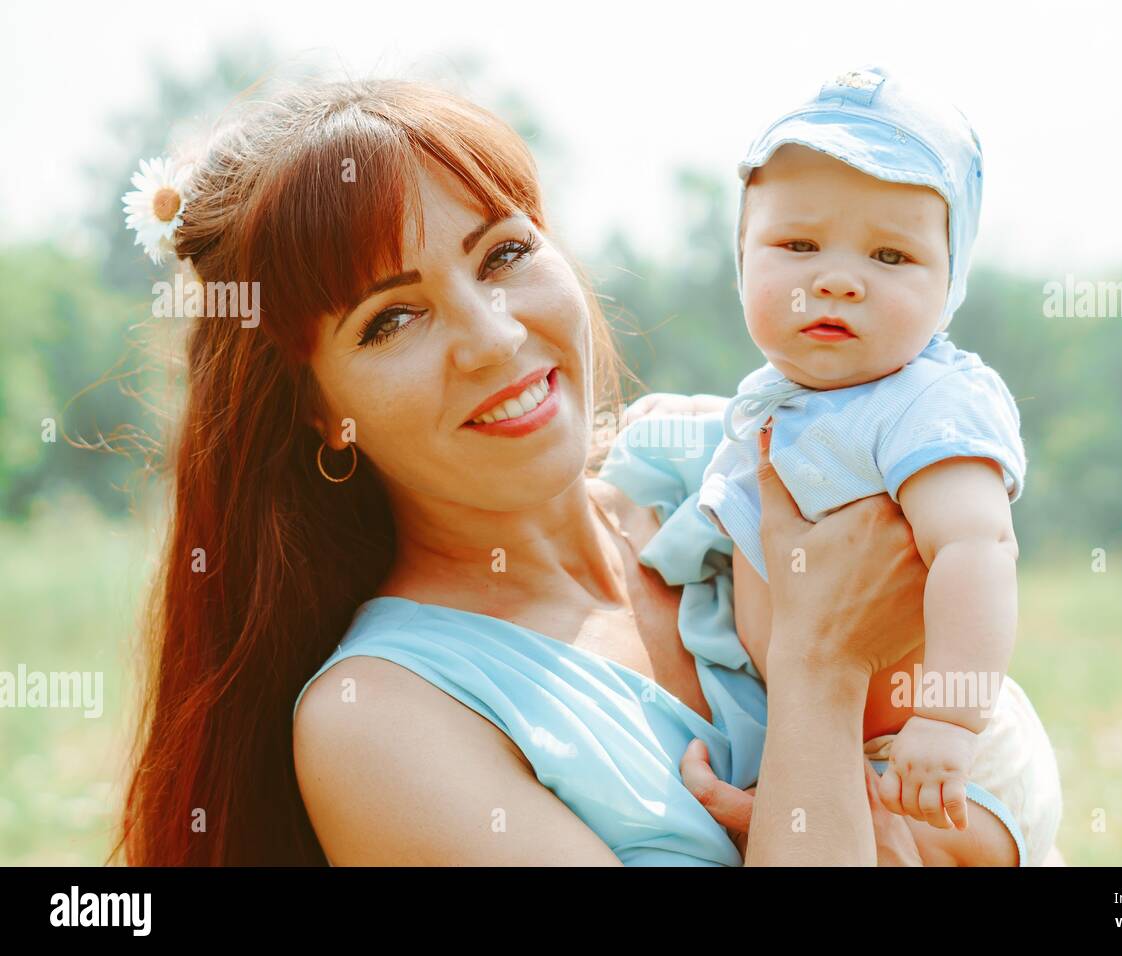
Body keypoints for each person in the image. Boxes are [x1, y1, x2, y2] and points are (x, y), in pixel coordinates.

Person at [110, 76, 1053, 866]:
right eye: (390, 320)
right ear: (318, 409)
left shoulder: (705, 468)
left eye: (505, 253)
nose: (493, 337)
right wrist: (820, 668)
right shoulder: (380, 720)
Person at [695, 66, 1063, 865]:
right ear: (742, 260)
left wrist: (948, 717)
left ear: (948, 286)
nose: (836, 278)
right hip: (840, 741)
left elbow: (977, 551)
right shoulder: (775, 404)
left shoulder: (925, 405)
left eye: (891, 256)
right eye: (797, 245)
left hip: (936, 757)